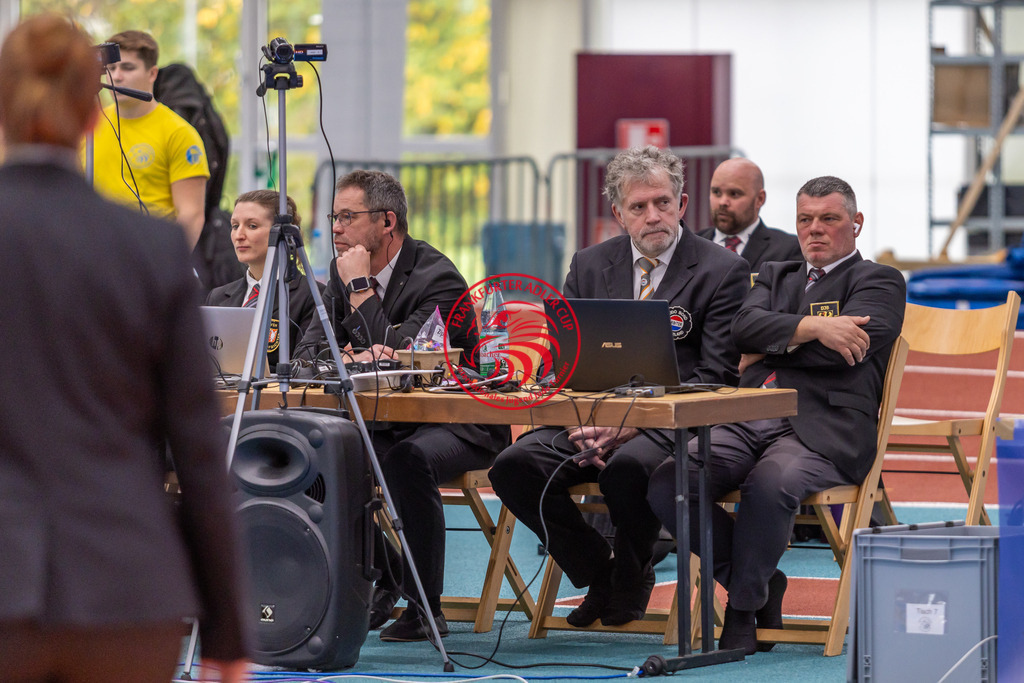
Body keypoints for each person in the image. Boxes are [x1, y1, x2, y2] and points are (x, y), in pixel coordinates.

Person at [0, 13, 248, 682]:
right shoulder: (151, 249)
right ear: (92, 114)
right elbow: (198, 446)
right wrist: (226, 628)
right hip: (127, 585)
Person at [489, 146, 749, 628]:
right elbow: (559, 365)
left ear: (682, 204)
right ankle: (599, 572)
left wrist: (626, 425)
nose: (654, 216)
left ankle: (632, 573)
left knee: (627, 471)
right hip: (588, 417)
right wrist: (586, 422)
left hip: (670, 425)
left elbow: (715, 376)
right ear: (618, 213)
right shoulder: (588, 265)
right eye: (639, 206)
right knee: (513, 466)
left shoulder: (721, 271)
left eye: (663, 203)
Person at [647, 175, 906, 655]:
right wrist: (813, 328)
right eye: (805, 220)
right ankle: (762, 582)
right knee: (670, 481)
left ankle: (742, 610)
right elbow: (741, 331)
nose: (815, 230)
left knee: (769, 483)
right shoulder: (774, 273)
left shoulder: (879, 280)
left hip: (822, 429)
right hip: (749, 417)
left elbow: (846, 353)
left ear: (856, 223)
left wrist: (774, 347)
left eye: (829, 219)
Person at [308, 169, 509, 642]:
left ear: (387, 222)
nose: (335, 228)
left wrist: (360, 292)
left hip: (461, 423)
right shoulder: (342, 274)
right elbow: (314, 351)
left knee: (405, 459)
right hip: (389, 420)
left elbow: (412, 358)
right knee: (323, 450)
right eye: (333, 217)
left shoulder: (438, 276)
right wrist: (364, 345)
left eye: (346, 217)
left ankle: (425, 606)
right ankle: (393, 572)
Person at [91, 30, 209, 249]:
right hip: (96, 257)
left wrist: (167, 268)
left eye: (127, 68)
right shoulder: (88, 127)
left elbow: (191, 214)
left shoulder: (179, 133)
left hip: (150, 259)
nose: (117, 77)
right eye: (111, 69)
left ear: (152, 73)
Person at [205, 190, 324, 370]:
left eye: (252, 226)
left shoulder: (311, 295)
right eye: (235, 226)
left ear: (284, 233)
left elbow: (305, 368)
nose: (239, 235)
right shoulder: (218, 297)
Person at [697, 157, 802, 272]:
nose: (722, 202)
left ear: (760, 199)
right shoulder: (690, 246)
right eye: (716, 192)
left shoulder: (788, 251)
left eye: (734, 194)